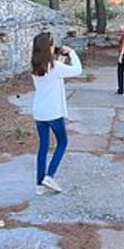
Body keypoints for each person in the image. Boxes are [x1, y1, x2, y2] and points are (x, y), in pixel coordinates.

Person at [30, 31, 82, 194]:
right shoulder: (55, 67)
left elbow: (52, 74)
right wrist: (72, 53)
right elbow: (77, 70)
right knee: (62, 142)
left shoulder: (35, 66)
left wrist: (60, 59)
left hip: (39, 111)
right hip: (53, 111)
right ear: (49, 47)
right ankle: (49, 176)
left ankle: (39, 185)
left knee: (43, 147)